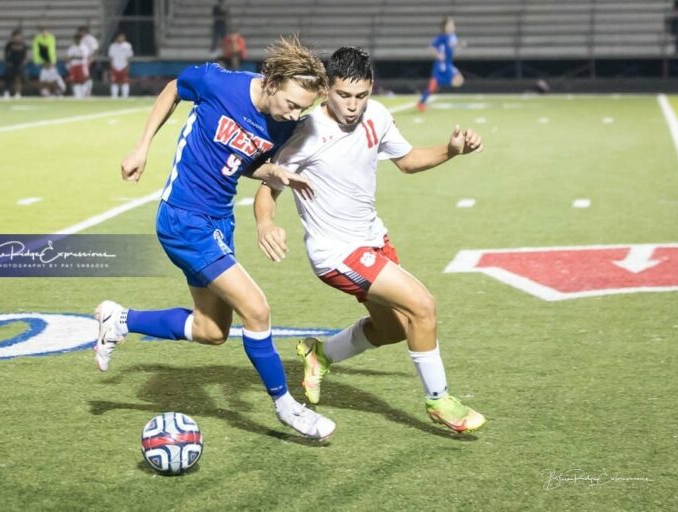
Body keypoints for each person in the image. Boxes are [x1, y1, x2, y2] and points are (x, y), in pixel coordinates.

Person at [94, 37, 336, 440]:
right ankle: (287, 407)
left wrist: (272, 173)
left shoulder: (283, 124)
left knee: (211, 330)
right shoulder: (218, 83)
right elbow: (174, 88)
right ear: (273, 82)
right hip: (183, 219)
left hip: (219, 221)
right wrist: (142, 147)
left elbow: (240, 162)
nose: (296, 114)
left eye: (303, 108)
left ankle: (119, 320)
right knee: (257, 310)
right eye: (293, 103)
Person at [254, 46, 486, 434]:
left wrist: (451, 150)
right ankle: (440, 401)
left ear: (371, 89)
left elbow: (408, 160)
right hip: (336, 254)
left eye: (360, 96)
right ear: (327, 88)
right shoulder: (305, 133)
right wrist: (265, 223)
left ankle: (319, 354)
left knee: (394, 329)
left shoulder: (376, 116)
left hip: (373, 239)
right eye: (343, 95)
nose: (352, 105)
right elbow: (268, 187)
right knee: (423, 307)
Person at [416, 17, 464, 112]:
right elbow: (431, 47)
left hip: (448, 64)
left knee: (459, 80)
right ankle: (421, 103)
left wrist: (460, 45)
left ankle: (438, 84)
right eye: (450, 25)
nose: (452, 27)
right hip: (441, 65)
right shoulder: (441, 37)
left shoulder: (452, 36)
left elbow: (453, 48)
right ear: (445, 27)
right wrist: (438, 54)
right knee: (434, 86)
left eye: (453, 25)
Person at [108, 33, 133, 99]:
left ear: (124, 38)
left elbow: (129, 57)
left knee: (125, 82)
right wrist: (111, 66)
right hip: (115, 66)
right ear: (117, 38)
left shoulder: (127, 46)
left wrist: (127, 66)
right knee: (114, 82)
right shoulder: (113, 46)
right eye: (119, 37)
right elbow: (111, 57)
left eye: (122, 37)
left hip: (123, 66)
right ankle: (114, 97)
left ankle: (125, 96)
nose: (120, 38)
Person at [3, 29, 27, 99]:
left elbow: (25, 55)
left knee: (18, 79)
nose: (17, 38)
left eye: (18, 36)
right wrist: (8, 62)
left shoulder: (23, 45)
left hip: (19, 64)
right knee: (9, 79)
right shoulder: (9, 45)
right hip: (11, 64)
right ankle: (7, 92)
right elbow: (6, 55)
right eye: (16, 36)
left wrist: (23, 63)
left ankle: (18, 93)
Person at [78, 26, 98, 97]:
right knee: (83, 76)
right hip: (82, 61)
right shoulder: (80, 39)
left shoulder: (90, 39)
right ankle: (83, 92)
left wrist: (91, 58)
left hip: (89, 60)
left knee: (88, 76)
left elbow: (95, 49)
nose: (81, 33)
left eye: (82, 31)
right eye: (80, 31)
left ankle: (88, 92)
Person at [67, 34, 89, 99]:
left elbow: (82, 57)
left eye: (79, 39)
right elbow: (68, 58)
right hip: (74, 66)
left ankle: (83, 94)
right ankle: (77, 95)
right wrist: (74, 57)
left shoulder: (84, 47)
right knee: (75, 81)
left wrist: (73, 57)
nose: (77, 41)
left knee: (83, 80)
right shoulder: (71, 48)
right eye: (76, 39)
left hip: (82, 65)